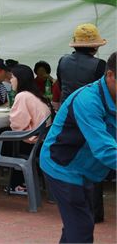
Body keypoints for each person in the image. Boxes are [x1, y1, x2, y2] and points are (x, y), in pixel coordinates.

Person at [40, 52, 116, 243]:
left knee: (78, 225)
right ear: (110, 75)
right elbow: (104, 149)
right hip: (62, 167)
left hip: (87, 168)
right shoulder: (88, 100)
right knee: (81, 229)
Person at [5, 64, 51, 195]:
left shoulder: (22, 96)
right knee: (6, 140)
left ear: (20, 79)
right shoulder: (35, 95)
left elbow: (17, 125)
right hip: (41, 141)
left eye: (12, 77)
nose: (10, 80)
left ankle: (15, 184)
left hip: (30, 144)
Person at [57, 23, 107, 104]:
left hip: (65, 107)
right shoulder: (100, 64)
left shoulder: (63, 60)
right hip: (88, 108)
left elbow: (60, 85)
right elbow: (105, 92)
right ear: (95, 46)